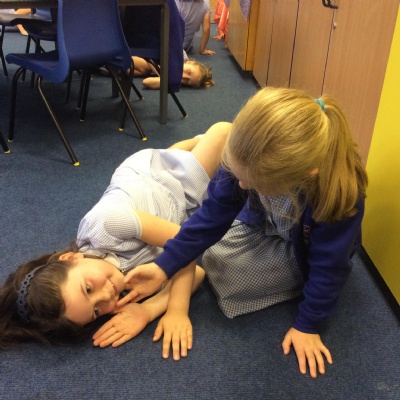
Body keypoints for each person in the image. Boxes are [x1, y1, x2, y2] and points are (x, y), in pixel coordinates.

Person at [118, 87, 369, 378]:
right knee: (207, 252)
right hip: (268, 222)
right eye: (237, 176)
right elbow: (211, 216)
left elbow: (329, 266)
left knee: (229, 281)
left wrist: (308, 325)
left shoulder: (340, 195)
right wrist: (164, 266)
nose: (241, 186)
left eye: (252, 183)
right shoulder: (244, 158)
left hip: (306, 247)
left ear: (303, 176)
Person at [0, 123, 230, 360]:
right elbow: (197, 273)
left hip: (159, 181)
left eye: (88, 289)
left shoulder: (106, 223)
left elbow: (187, 245)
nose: (106, 296)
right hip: (179, 214)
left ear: (71, 259)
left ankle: (188, 148)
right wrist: (147, 310)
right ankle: (180, 152)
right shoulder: (121, 291)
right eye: (96, 311)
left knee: (225, 135)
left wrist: (177, 311)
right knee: (201, 185)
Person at [132, 55, 214, 89]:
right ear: (189, 62)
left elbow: (146, 82)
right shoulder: (177, 54)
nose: (184, 76)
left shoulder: (175, 79)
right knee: (146, 68)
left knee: (144, 72)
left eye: (187, 81)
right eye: (189, 72)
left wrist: (172, 80)